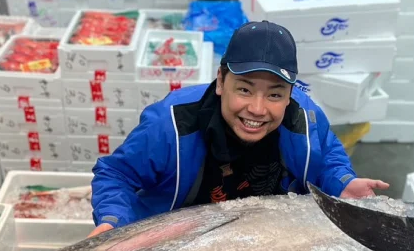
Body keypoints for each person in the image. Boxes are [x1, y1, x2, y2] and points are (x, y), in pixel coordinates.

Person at [89, 20, 389, 237]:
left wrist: (342, 181)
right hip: (175, 244)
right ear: (221, 81)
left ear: (290, 94)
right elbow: (116, 174)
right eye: (244, 89)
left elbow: (328, 152)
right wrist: (113, 221)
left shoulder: (305, 117)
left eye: (275, 94)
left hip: (265, 239)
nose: (257, 109)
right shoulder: (169, 125)